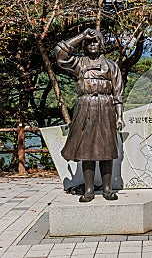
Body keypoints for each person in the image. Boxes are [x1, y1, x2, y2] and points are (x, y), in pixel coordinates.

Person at [55, 28, 123, 202]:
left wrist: (120, 116)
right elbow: (60, 52)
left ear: (101, 45)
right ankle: (89, 190)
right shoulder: (79, 63)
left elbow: (118, 93)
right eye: (89, 41)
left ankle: (107, 189)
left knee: (107, 149)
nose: (92, 44)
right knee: (86, 151)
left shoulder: (111, 66)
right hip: (85, 106)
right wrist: (81, 36)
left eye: (96, 41)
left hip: (106, 106)